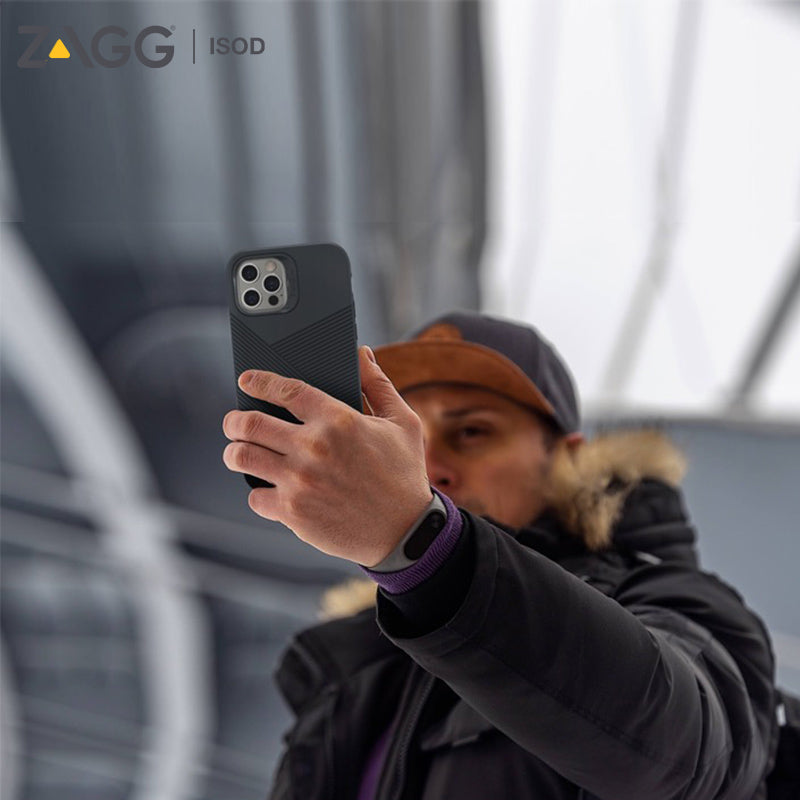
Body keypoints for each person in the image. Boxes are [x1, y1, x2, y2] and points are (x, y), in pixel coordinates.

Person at [221, 310, 778, 800]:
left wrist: (418, 541)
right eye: (407, 439)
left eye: (471, 432)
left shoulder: (668, 600)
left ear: (566, 457)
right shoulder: (352, 676)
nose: (426, 468)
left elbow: (689, 756)